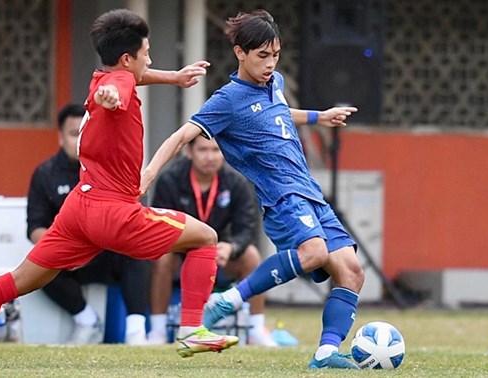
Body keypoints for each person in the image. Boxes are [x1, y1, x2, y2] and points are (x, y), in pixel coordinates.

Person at [0, 9, 238, 366]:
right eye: (147, 53)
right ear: (127, 58)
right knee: (205, 237)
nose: (149, 59)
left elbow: (127, 78)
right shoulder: (117, 85)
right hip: (114, 212)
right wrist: (111, 96)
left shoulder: (102, 76)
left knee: (19, 279)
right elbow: (123, 85)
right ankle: (191, 329)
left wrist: (173, 78)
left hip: (78, 209)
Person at [140, 10, 363, 369]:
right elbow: (183, 135)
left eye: (275, 55)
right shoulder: (227, 100)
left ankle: (325, 353)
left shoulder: (272, 84)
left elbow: (279, 111)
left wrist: (318, 117)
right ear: (240, 53)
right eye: (262, 56)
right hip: (282, 196)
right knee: (315, 253)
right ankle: (228, 300)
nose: (270, 63)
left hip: (310, 192)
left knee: (352, 269)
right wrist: (148, 174)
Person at [27, 103, 152, 345]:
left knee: (138, 251)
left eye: (84, 133)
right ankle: (86, 320)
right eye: (74, 134)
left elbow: (129, 214)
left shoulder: (110, 168)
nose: (79, 140)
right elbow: (34, 226)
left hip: (107, 251)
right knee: (35, 262)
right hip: (68, 256)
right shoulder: (45, 174)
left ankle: (136, 329)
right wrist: (65, 252)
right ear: (60, 137)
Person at [146, 136, 277, 346]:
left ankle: (256, 329)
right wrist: (191, 248)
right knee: (161, 258)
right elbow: (160, 227)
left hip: (221, 256)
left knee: (251, 255)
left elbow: (247, 228)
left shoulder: (236, 182)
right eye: (203, 150)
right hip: (180, 253)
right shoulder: (170, 180)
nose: (210, 157)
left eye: (216, 150)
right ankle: (157, 332)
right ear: (189, 152)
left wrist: (232, 247)